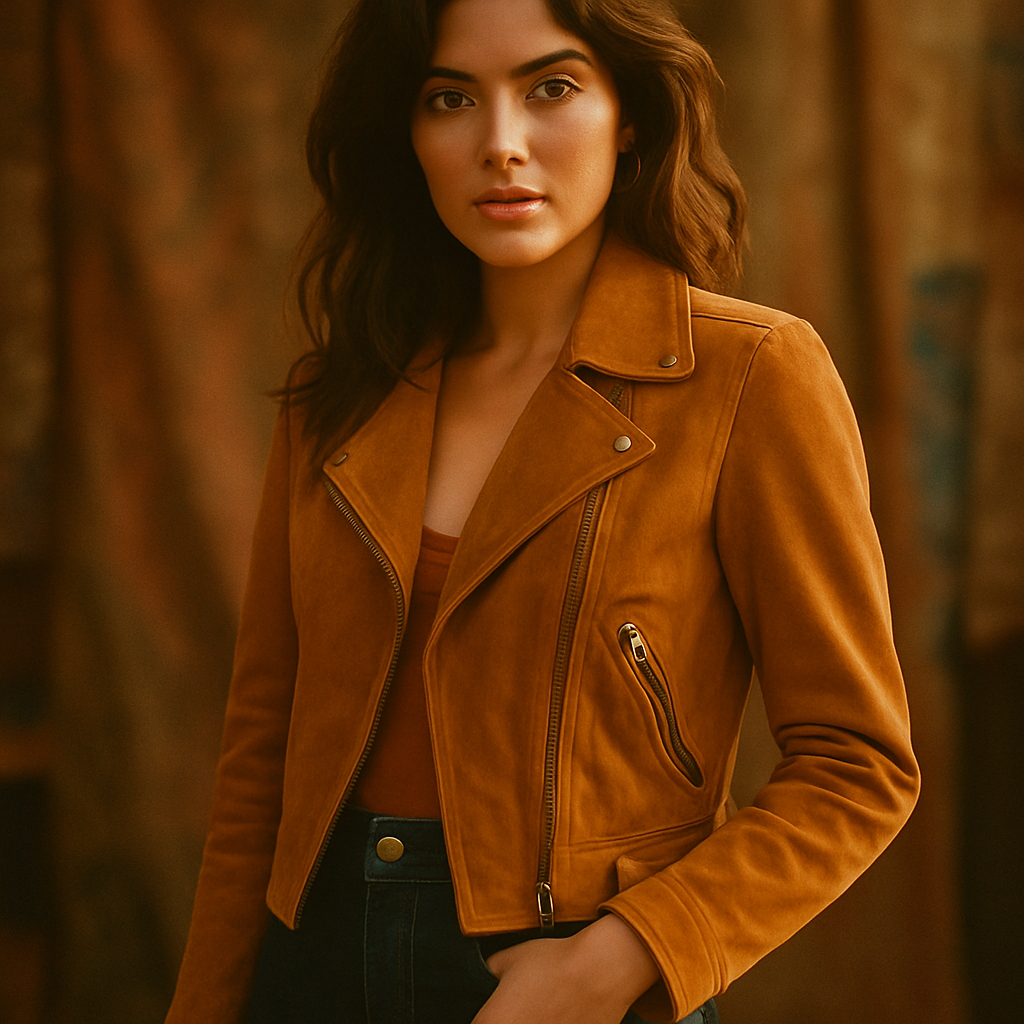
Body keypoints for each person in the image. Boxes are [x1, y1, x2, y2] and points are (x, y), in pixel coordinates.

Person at [166, 0, 920, 1021]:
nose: (500, 144)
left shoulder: (752, 377)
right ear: (409, 133)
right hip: (312, 958)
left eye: (551, 88)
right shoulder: (342, 390)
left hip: (566, 980)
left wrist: (614, 959)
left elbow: (856, 765)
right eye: (448, 99)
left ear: (631, 116)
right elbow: (262, 752)